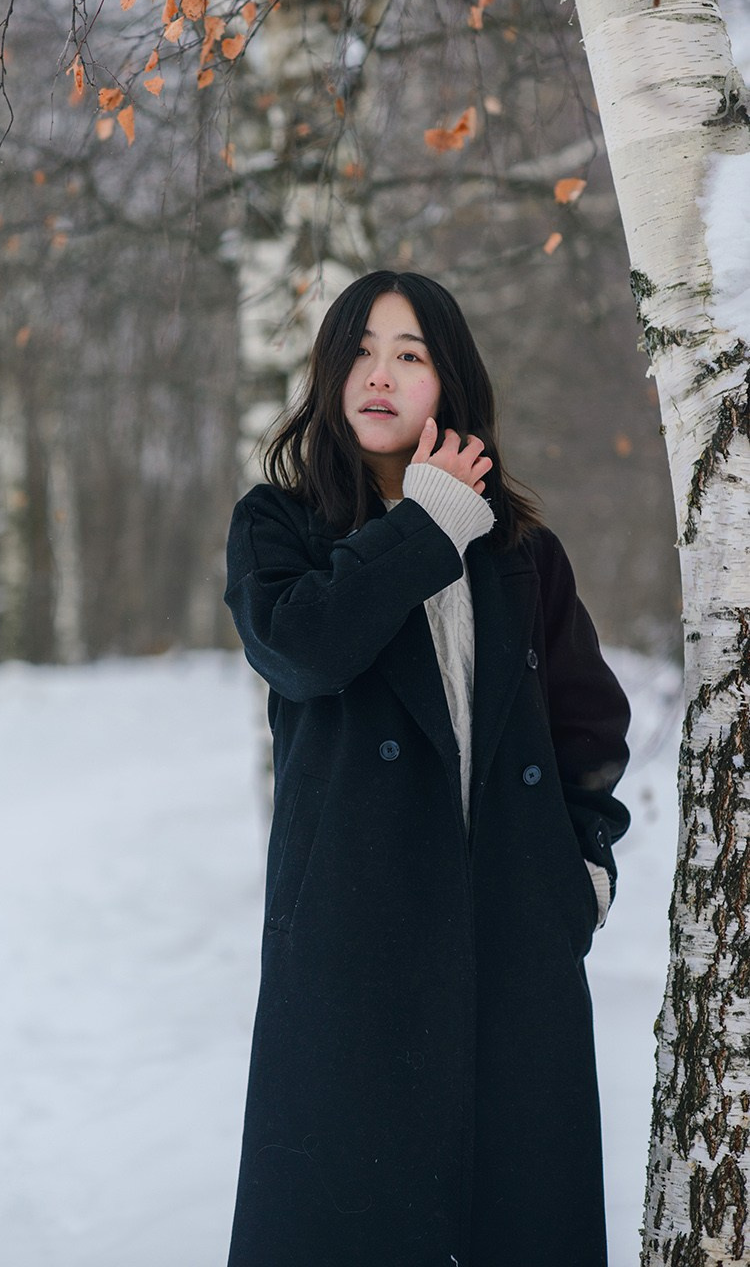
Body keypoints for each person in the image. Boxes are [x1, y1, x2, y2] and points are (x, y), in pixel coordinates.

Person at [223, 270, 631, 1267]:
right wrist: (426, 523)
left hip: (511, 944)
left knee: (516, 1219)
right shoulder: (279, 526)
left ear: (447, 381)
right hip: (352, 944)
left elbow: (585, 721)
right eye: (360, 348)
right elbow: (305, 649)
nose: (380, 373)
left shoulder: (522, 549)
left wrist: (582, 865)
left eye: (409, 353)